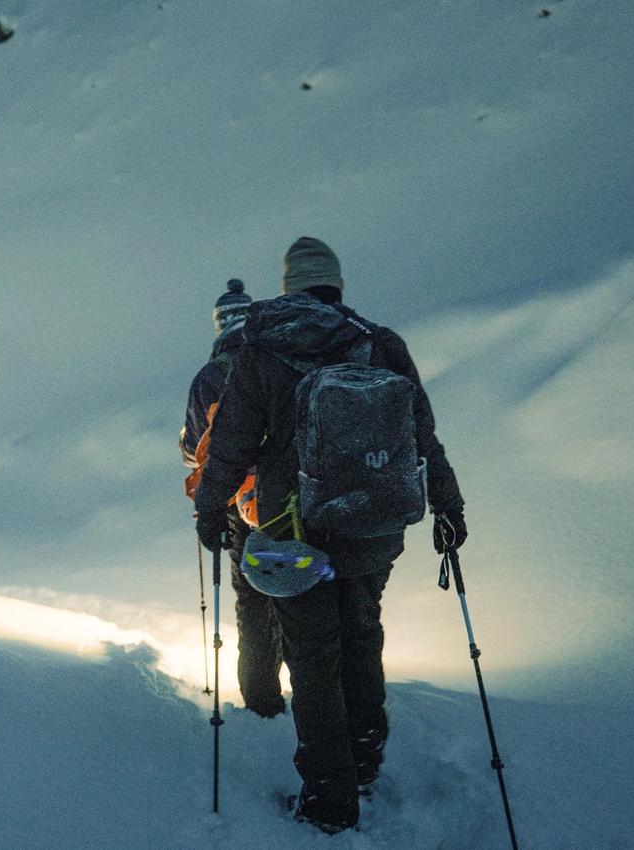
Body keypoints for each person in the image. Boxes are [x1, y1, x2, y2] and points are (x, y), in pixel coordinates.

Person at [192, 237, 467, 835]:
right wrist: (448, 505)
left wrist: (210, 510)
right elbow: (423, 438)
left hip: (291, 531)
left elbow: (233, 444)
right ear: (337, 286)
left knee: (313, 661)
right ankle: (364, 758)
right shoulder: (381, 344)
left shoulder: (263, 350)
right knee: (361, 637)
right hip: (370, 523)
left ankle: (329, 797)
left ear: (290, 287)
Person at [181, 279, 285, 719]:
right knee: (303, 592)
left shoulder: (210, 376)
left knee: (253, 600)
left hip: (240, 505)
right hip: (297, 499)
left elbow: (193, 450)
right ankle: (316, 683)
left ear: (221, 325)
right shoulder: (280, 359)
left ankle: (261, 702)